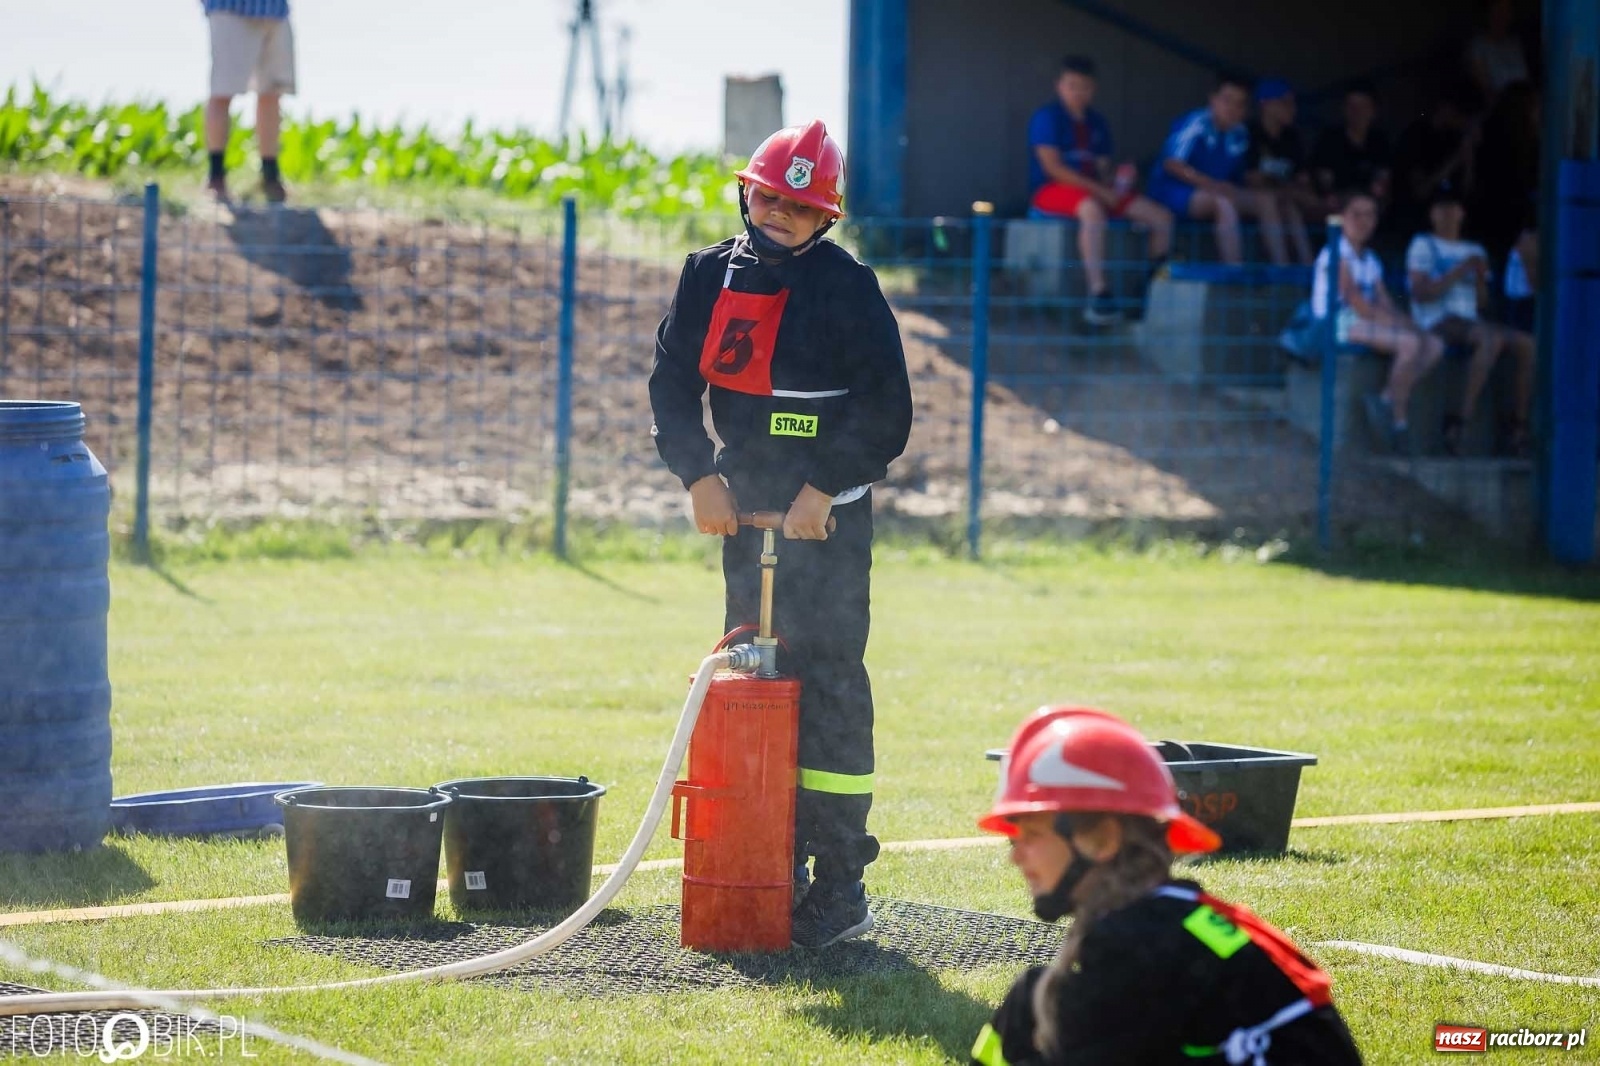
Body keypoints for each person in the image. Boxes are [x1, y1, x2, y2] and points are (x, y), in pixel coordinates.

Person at [648, 120, 913, 949]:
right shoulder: (706, 276)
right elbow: (670, 384)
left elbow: (887, 411)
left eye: (800, 205)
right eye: (768, 196)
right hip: (743, 510)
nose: (780, 213)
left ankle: (839, 884)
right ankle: (760, 856)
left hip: (826, 522)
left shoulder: (849, 289)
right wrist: (698, 475)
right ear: (745, 192)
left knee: (828, 687)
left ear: (825, 216)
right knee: (753, 684)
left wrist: (822, 487)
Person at [970, 706, 1364, 1065]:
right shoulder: (1164, 920)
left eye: (1032, 836)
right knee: (1032, 1002)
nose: (1016, 856)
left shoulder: (1136, 941)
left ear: (1103, 839)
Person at [1026, 56, 1175, 325]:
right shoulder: (1047, 117)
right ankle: (1099, 295)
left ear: (1093, 89)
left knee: (1161, 217)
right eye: (1072, 86)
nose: (1078, 93)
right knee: (1092, 211)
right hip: (1052, 191)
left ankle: (1149, 294)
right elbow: (1053, 169)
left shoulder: (1098, 123)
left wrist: (1119, 179)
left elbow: (1103, 171)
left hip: (1095, 190)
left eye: (1084, 87)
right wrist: (1101, 191)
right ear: (1059, 86)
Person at [1311, 192, 1444, 456]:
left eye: (1369, 214)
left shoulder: (1371, 260)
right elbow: (1358, 305)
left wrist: (1408, 323)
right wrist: (1403, 327)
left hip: (1365, 320)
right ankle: (1398, 421)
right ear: (1343, 217)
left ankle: (1386, 398)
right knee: (1410, 343)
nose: (1363, 221)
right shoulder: (1335, 253)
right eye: (1356, 214)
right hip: (1337, 321)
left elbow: (1384, 302)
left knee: (1434, 344)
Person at [1406, 186, 1533, 455]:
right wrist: (1461, 269)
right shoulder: (1422, 243)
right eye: (1442, 208)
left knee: (1527, 344)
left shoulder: (1475, 249)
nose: (1449, 214)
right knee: (1490, 339)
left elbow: (1482, 304)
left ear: (1462, 213)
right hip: (1435, 319)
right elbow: (1422, 294)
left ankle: (1517, 426)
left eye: (1453, 207)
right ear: (1432, 214)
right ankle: (1458, 420)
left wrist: (1477, 277)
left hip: (1469, 319)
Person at [1147, 73, 1292, 266]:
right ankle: (1234, 274)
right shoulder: (1196, 122)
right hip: (1172, 192)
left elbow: (1238, 178)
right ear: (1213, 100)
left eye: (1240, 104)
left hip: (1213, 191)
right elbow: (1172, 163)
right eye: (1227, 100)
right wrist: (1211, 185)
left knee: (1265, 201)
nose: (1232, 108)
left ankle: (1282, 274)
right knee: (1223, 203)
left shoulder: (1240, 133)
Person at [202, 0, 296, 203]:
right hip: (230, 7)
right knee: (222, 91)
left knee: (272, 92)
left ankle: (270, 176)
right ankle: (215, 176)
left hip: (275, 10)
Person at [1390, 81, 1481, 242]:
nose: (1462, 121)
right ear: (1446, 108)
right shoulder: (1416, 136)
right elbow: (1420, 190)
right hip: (1414, 227)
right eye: (1459, 115)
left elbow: (1467, 192)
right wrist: (1455, 161)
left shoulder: (1453, 138)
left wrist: (1469, 160)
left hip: (1450, 229)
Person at [1244, 78, 1317, 265]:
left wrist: (1284, 188)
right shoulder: (1249, 133)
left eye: (1293, 103)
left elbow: (1304, 181)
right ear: (1265, 105)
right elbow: (1251, 179)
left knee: (1290, 207)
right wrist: (1285, 187)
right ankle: (1282, 269)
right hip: (1250, 200)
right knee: (1276, 201)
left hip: (1286, 201)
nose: (1292, 108)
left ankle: (1307, 268)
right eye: (1285, 103)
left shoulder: (1291, 136)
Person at [1311, 83, 1392, 209]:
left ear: (1374, 111)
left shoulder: (1380, 141)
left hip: (1371, 203)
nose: (1356, 111)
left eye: (1363, 106)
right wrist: (1329, 195)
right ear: (1344, 109)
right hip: (1339, 203)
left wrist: (1380, 188)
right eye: (1351, 105)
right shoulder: (1330, 138)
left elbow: (1383, 177)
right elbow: (1323, 179)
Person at [1466, 0, 1531, 106]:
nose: (1503, 15)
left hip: (1524, 108)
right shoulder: (1478, 47)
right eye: (1499, 10)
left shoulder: (1514, 43)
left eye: (1507, 10)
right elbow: (1485, 92)